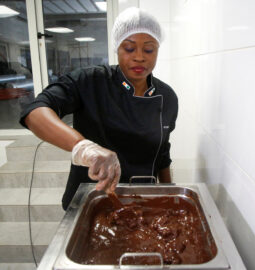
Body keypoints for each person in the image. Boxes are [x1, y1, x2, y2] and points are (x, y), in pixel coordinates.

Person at [19, 7, 178, 210]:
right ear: (117, 48)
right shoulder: (89, 81)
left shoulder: (168, 97)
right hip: (91, 198)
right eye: (129, 48)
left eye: (149, 49)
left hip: (142, 200)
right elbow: (35, 111)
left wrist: (169, 198)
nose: (139, 57)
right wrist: (83, 147)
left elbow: (163, 154)